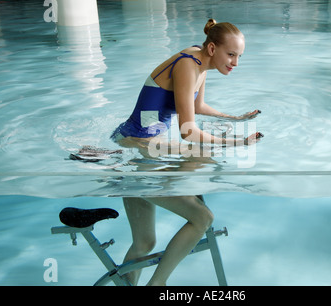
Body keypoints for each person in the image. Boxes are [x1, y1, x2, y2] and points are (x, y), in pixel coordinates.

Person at [112, 19, 262, 286]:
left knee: (145, 242)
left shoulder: (200, 62)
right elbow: (188, 132)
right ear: (213, 48)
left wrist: (235, 117)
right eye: (231, 54)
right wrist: (238, 142)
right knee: (203, 214)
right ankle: (156, 285)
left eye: (239, 56)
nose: (235, 63)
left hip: (138, 145)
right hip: (135, 148)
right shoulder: (187, 65)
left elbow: (198, 105)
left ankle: (170, 186)